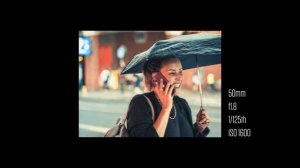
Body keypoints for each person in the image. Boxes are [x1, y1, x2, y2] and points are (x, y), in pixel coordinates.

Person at [127, 57, 211, 137]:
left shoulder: (182, 103)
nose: (179, 78)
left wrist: (199, 128)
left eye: (181, 72)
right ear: (155, 77)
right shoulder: (140, 103)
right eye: (172, 73)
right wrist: (166, 109)